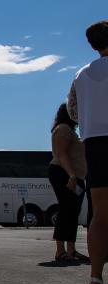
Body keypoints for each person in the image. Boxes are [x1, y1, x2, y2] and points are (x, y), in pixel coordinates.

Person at [67, 20, 108, 284]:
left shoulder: (81, 75)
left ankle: (95, 279)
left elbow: (72, 111)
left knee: (100, 217)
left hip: (95, 144)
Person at [49, 103, 89, 262]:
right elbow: (62, 154)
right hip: (64, 173)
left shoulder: (70, 131)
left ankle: (71, 250)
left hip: (75, 175)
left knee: (73, 211)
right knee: (66, 209)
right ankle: (60, 251)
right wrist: (71, 175)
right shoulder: (63, 129)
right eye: (75, 111)